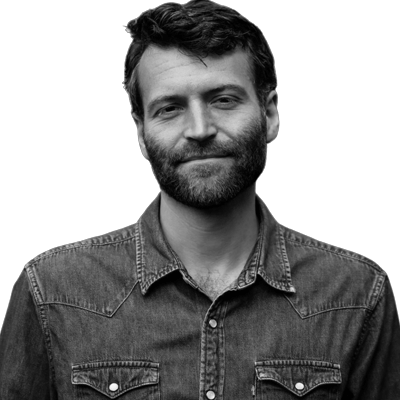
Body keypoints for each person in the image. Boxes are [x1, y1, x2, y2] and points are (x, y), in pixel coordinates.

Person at [1, 0, 399, 398]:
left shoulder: (357, 294)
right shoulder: (51, 293)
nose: (199, 129)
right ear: (141, 134)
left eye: (223, 99)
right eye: (170, 108)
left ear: (270, 115)